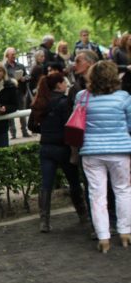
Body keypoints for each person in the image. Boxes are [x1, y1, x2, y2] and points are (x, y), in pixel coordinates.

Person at [74, 61, 131, 252]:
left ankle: (103, 237)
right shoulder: (123, 97)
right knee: (123, 190)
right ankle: (125, 232)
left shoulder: (82, 97)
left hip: (91, 152)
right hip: (120, 151)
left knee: (97, 195)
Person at [28, 73, 89, 233]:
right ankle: (83, 214)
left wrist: (46, 131)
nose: (66, 85)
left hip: (46, 147)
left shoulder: (40, 101)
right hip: (63, 147)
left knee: (46, 184)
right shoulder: (64, 102)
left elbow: (31, 126)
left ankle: (44, 221)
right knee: (74, 182)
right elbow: (70, 125)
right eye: (64, 82)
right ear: (59, 85)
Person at [3, 47, 30, 139]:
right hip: (9, 93)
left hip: (20, 92)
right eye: (12, 54)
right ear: (7, 56)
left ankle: (24, 131)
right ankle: (13, 133)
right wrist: (13, 80)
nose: (14, 56)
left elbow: (27, 76)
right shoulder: (4, 67)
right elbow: (3, 80)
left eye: (14, 54)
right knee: (10, 114)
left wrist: (24, 78)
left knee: (22, 112)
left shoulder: (20, 65)